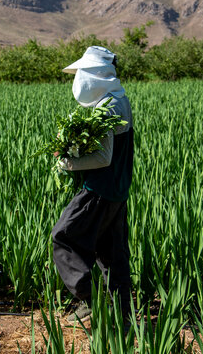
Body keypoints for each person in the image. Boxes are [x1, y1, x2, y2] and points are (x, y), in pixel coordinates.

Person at [51, 46, 134, 325]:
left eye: (83, 74)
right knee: (111, 253)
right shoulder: (119, 100)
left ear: (96, 76)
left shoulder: (110, 106)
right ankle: (121, 313)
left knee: (64, 236)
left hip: (99, 189)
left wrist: (68, 161)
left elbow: (103, 157)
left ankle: (92, 300)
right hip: (117, 191)